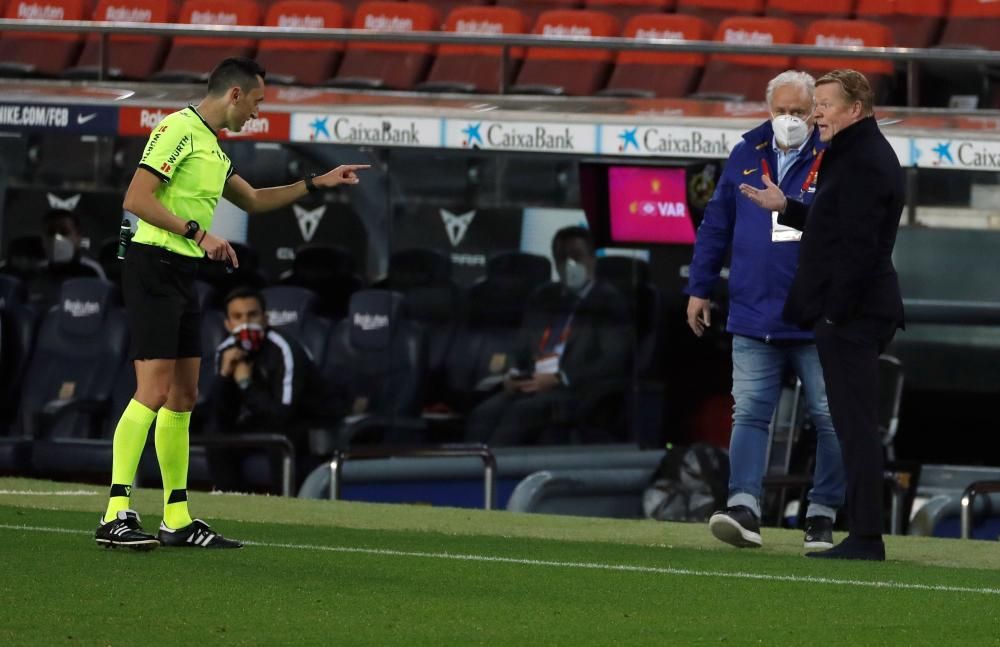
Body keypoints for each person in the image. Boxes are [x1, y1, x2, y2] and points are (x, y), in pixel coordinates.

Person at [94, 57, 369, 550]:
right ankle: (116, 512)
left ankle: (176, 518)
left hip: (182, 271)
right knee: (153, 391)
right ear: (235, 95)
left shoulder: (215, 149)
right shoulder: (177, 128)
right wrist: (198, 232)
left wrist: (316, 183)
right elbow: (136, 198)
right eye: (258, 103)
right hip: (151, 265)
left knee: (183, 395)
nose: (258, 114)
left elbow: (256, 200)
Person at [740, 69, 905, 561]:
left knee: (855, 426)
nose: (816, 114)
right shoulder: (854, 154)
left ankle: (867, 537)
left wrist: (834, 315)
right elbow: (835, 224)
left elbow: (859, 247)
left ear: (855, 109)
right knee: (852, 424)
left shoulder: (864, 161)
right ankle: (865, 535)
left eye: (826, 105)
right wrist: (785, 206)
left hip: (852, 315)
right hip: (851, 312)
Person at [687, 70, 845, 551]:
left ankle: (821, 513)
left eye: (801, 111)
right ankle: (744, 508)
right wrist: (700, 288)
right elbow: (716, 225)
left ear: (815, 110)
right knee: (750, 413)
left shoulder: (836, 156)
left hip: (817, 316)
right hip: (755, 313)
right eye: (783, 110)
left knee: (831, 416)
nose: (791, 119)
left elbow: (851, 227)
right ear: (768, 109)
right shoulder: (745, 154)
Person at [464, 226, 631, 446]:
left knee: (519, 414)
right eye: (562, 258)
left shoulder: (610, 302)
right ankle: (466, 473)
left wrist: (560, 377)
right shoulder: (545, 296)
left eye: (577, 256)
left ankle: (490, 475)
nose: (569, 264)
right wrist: (513, 373)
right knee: (483, 414)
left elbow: (612, 361)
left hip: (574, 390)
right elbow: (521, 346)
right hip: (533, 383)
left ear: (592, 259)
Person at [207, 287, 342, 492]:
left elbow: (282, 414)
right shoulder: (226, 350)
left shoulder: (284, 349)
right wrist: (225, 375)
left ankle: (284, 507)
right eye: (238, 317)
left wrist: (246, 384)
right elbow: (220, 414)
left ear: (265, 318)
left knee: (278, 437)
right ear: (228, 324)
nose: (246, 323)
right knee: (216, 434)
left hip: (305, 421)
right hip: (263, 420)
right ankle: (230, 503)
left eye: (252, 315)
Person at [0, 209, 106, 308]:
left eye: (64, 232)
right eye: (51, 232)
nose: (57, 238)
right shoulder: (34, 275)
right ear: (43, 240)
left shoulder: (91, 272)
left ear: (78, 238)